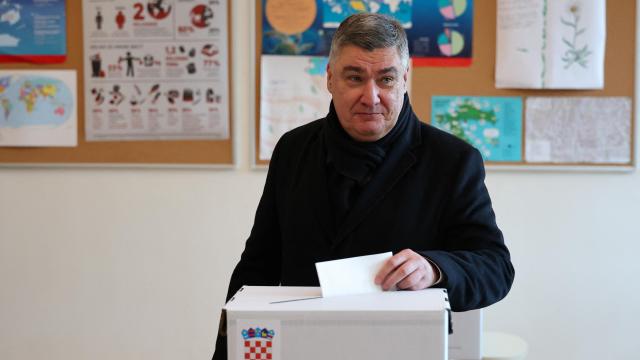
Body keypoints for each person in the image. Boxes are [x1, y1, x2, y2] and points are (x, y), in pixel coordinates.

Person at [212, 13, 514, 359]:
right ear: (329, 78)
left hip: (405, 349)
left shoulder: (452, 160)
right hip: (304, 347)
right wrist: (226, 352)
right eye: (354, 78)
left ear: (404, 79)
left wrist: (434, 269)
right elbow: (257, 267)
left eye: (385, 79)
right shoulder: (293, 150)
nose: (371, 97)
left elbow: (495, 268)